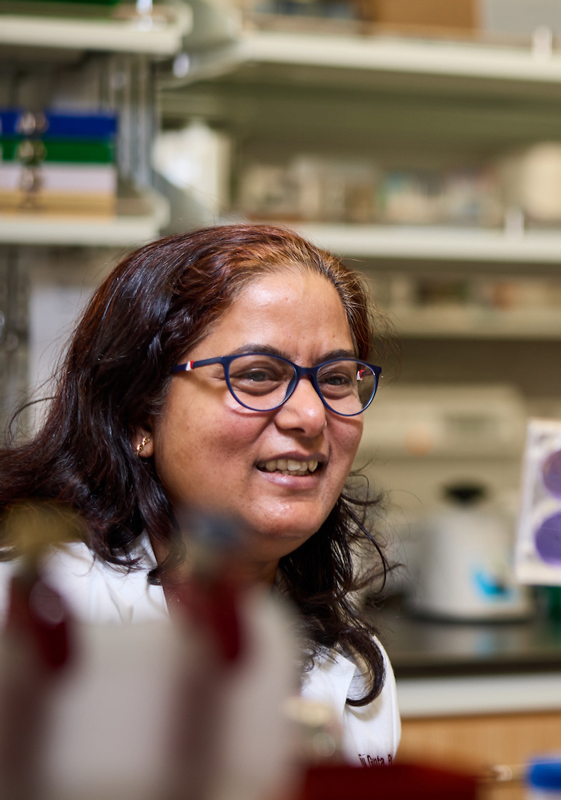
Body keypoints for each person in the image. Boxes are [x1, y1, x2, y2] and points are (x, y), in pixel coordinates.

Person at [0, 224, 399, 764]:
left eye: (335, 378)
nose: (310, 415)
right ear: (140, 411)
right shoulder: (29, 614)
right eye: (257, 374)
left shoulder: (354, 670)